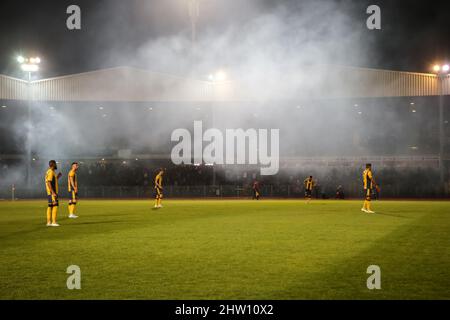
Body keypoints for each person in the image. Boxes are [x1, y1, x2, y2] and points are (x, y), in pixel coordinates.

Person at [45, 160, 62, 226]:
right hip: (52, 192)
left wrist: (58, 176)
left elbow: (52, 181)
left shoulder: (49, 172)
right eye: (55, 164)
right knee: (55, 206)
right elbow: (49, 182)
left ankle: (49, 222)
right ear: (53, 164)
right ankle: (54, 222)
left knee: (50, 206)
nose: (56, 165)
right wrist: (53, 192)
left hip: (50, 192)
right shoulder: (51, 172)